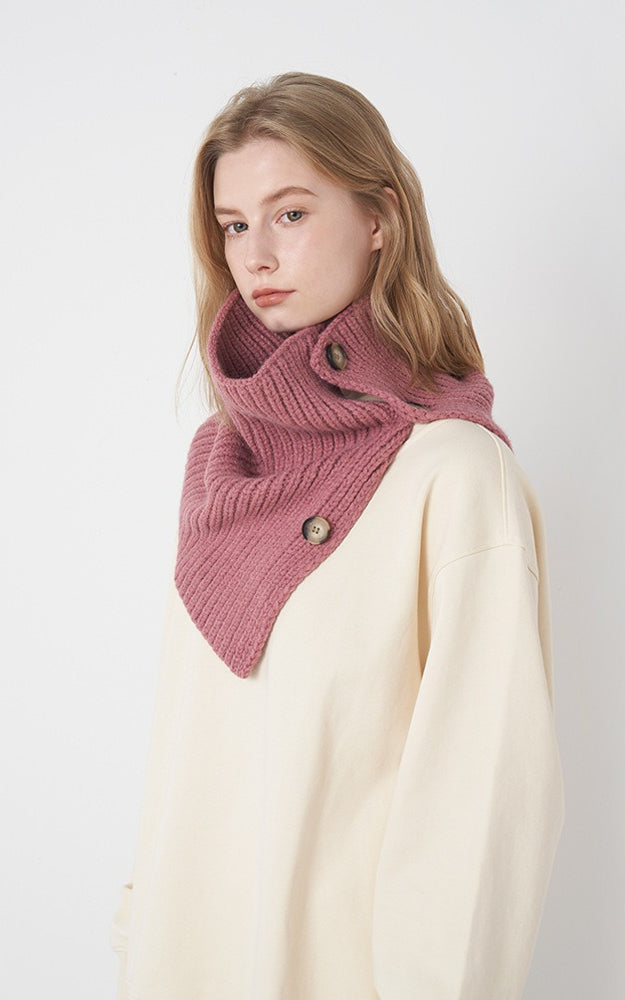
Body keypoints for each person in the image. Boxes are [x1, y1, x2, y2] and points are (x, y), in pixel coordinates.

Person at [110, 71, 565, 1000]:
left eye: (290, 213)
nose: (255, 255)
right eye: (234, 225)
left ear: (379, 217)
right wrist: (139, 934)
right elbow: (187, 746)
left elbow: (479, 801)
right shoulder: (218, 463)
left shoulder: (454, 475)